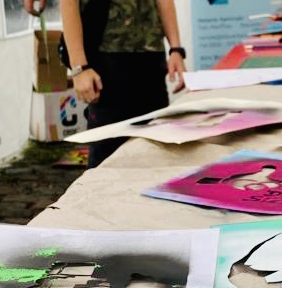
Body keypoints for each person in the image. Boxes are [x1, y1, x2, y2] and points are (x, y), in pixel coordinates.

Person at [53, 0, 186, 167]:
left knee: (157, 151)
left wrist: (175, 49)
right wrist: (79, 67)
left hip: (151, 57)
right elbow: (68, 3)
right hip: (107, 57)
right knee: (107, 158)